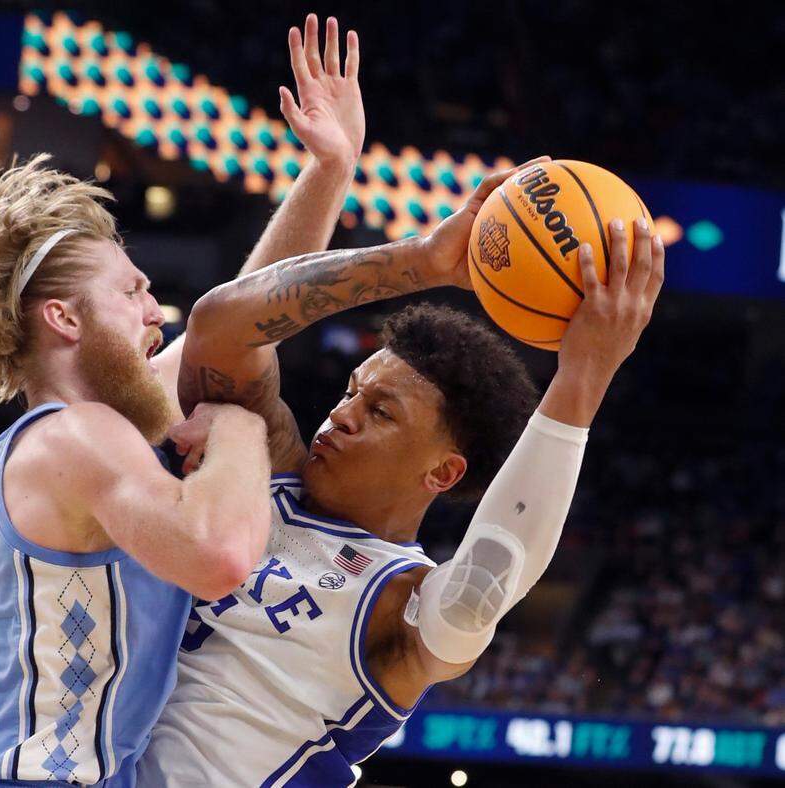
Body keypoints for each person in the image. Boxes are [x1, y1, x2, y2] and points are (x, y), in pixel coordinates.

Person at [0, 14, 367, 785]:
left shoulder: (103, 423)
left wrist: (330, 171)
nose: (157, 311)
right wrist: (240, 428)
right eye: (133, 292)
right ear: (64, 318)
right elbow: (219, 556)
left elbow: (244, 319)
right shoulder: (72, 438)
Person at [139, 129, 665, 788]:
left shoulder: (396, 602)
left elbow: (480, 589)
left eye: (381, 412)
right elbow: (219, 325)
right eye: (350, 392)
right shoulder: (261, 463)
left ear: (442, 472)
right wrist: (421, 261)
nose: (341, 415)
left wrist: (584, 376)